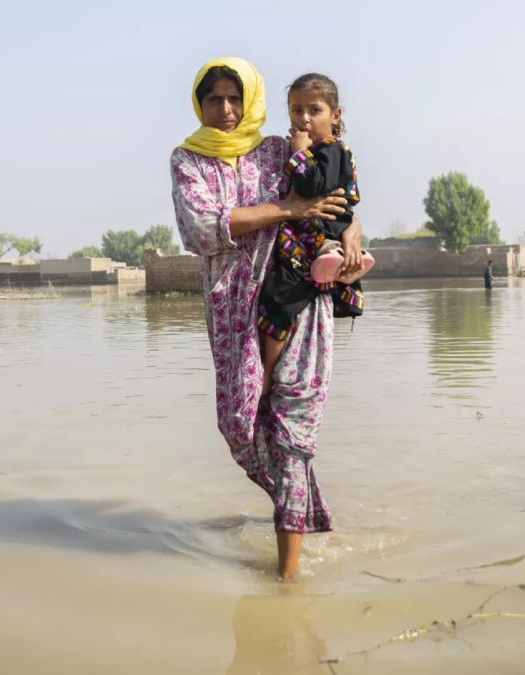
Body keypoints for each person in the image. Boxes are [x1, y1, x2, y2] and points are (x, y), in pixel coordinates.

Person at [169, 57, 364, 580]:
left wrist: (350, 234)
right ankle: (301, 512)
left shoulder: (280, 149)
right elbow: (202, 230)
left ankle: (288, 576)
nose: (227, 110)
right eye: (215, 99)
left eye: (236, 98)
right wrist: (288, 210)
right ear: (200, 104)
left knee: (291, 431)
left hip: (296, 294)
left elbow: (336, 192)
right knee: (240, 423)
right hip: (233, 306)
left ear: (250, 100)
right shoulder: (188, 160)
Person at [257, 73, 375, 397]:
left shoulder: (330, 150)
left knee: (279, 296)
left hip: (319, 233)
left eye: (314, 110)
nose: (304, 119)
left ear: (335, 115)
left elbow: (310, 187)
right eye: (296, 111)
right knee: (279, 296)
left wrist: (299, 152)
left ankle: (267, 372)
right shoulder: (293, 150)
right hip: (313, 236)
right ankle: (332, 259)